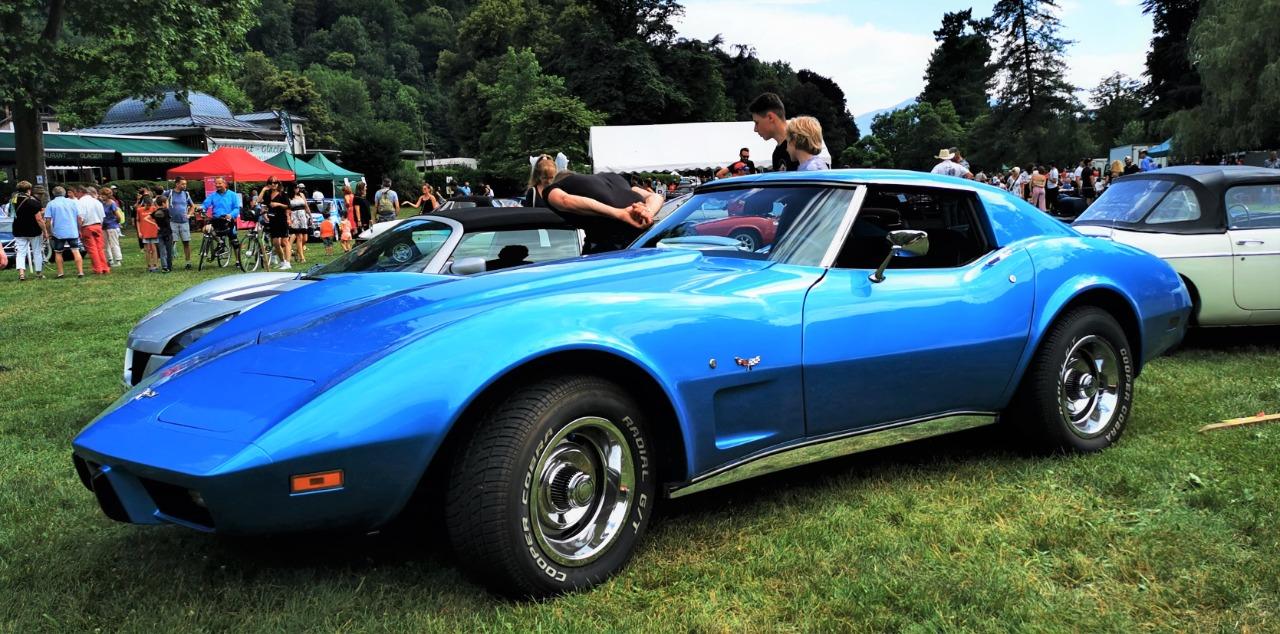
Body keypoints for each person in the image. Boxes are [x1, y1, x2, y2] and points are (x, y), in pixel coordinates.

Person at [539, 170, 662, 253]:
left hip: (608, 250)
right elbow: (656, 197)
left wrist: (619, 213)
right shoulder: (617, 179)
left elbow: (565, 200)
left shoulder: (557, 187)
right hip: (644, 243)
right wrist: (647, 212)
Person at [749, 92, 798, 172]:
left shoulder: (799, 144)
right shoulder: (776, 154)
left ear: (770, 117)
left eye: (757, 122)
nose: (755, 129)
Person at [44, 186, 85, 278]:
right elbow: (79, 218)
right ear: (65, 193)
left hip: (58, 232)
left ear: (53, 193)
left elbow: (47, 221)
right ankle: (80, 272)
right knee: (75, 250)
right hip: (72, 230)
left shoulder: (51, 204)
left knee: (58, 252)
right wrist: (79, 229)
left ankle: (60, 273)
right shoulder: (72, 202)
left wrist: (49, 232)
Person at [11, 181, 47, 280]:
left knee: (20, 252)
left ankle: (21, 274)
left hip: (18, 229)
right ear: (28, 190)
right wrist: (45, 231)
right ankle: (39, 273)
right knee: (37, 251)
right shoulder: (33, 202)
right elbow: (39, 219)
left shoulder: (13, 200)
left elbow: (11, 214)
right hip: (33, 230)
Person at [202, 176, 241, 254]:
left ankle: (238, 261)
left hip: (228, 221)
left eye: (219, 183)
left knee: (234, 241)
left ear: (225, 184)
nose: (217, 185)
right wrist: (201, 208)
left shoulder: (232, 195)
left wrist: (231, 215)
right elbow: (205, 204)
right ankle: (220, 242)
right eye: (216, 183)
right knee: (205, 229)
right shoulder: (212, 195)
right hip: (216, 220)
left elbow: (237, 208)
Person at [76, 185, 109, 275]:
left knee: (92, 249)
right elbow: (102, 216)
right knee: (100, 248)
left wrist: (79, 229)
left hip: (87, 226)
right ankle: (105, 267)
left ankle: (97, 269)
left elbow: (80, 217)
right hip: (98, 225)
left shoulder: (81, 202)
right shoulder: (97, 202)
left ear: (81, 193)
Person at [163, 177, 196, 269]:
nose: (184, 186)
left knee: (186, 242)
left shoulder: (186, 194)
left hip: (184, 222)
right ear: (177, 184)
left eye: (185, 184)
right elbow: (159, 201)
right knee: (171, 242)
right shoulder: (169, 193)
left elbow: (192, 206)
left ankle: (188, 262)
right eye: (182, 184)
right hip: (172, 222)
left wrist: (189, 214)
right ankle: (169, 263)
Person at [98, 186, 124, 268]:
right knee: (106, 245)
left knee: (114, 244)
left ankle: (118, 260)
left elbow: (118, 215)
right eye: (101, 195)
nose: (101, 196)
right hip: (104, 226)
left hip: (112, 226)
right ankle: (109, 260)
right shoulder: (102, 203)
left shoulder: (112, 203)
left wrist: (117, 222)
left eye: (103, 195)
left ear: (107, 195)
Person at [136, 193, 160, 272]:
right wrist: (139, 231)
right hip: (144, 231)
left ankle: (155, 264)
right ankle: (149, 265)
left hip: (153, 231)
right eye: (147, 205)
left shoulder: (154, 209)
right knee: (147, 249)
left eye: (150, 205)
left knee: (154, 248)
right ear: (144, 204)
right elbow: (138, 221)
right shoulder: (139, 210)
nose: (149, 207)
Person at [288, 184, 312, 264]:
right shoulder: (289, 197)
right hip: (294, 217)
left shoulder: (301, 195)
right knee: (299, 237)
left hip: (303, 216)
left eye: (298, 187)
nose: (297, 189)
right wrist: (289, 219)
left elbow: (306, 206)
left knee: (305, 238)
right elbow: (288, 209)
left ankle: (298, 252)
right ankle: (302, 257)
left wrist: (310, 216)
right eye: (296, 188)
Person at [151, 195, 175, 272]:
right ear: (163, 203)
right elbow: (169, 218)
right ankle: (169, 266)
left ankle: (164, 266)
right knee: (169, 250)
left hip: (160, 233)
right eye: (167, 202)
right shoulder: (166, 211)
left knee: (162, 251)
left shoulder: (156, 212)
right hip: (168, 233)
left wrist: (155, 225)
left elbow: (148, 217)